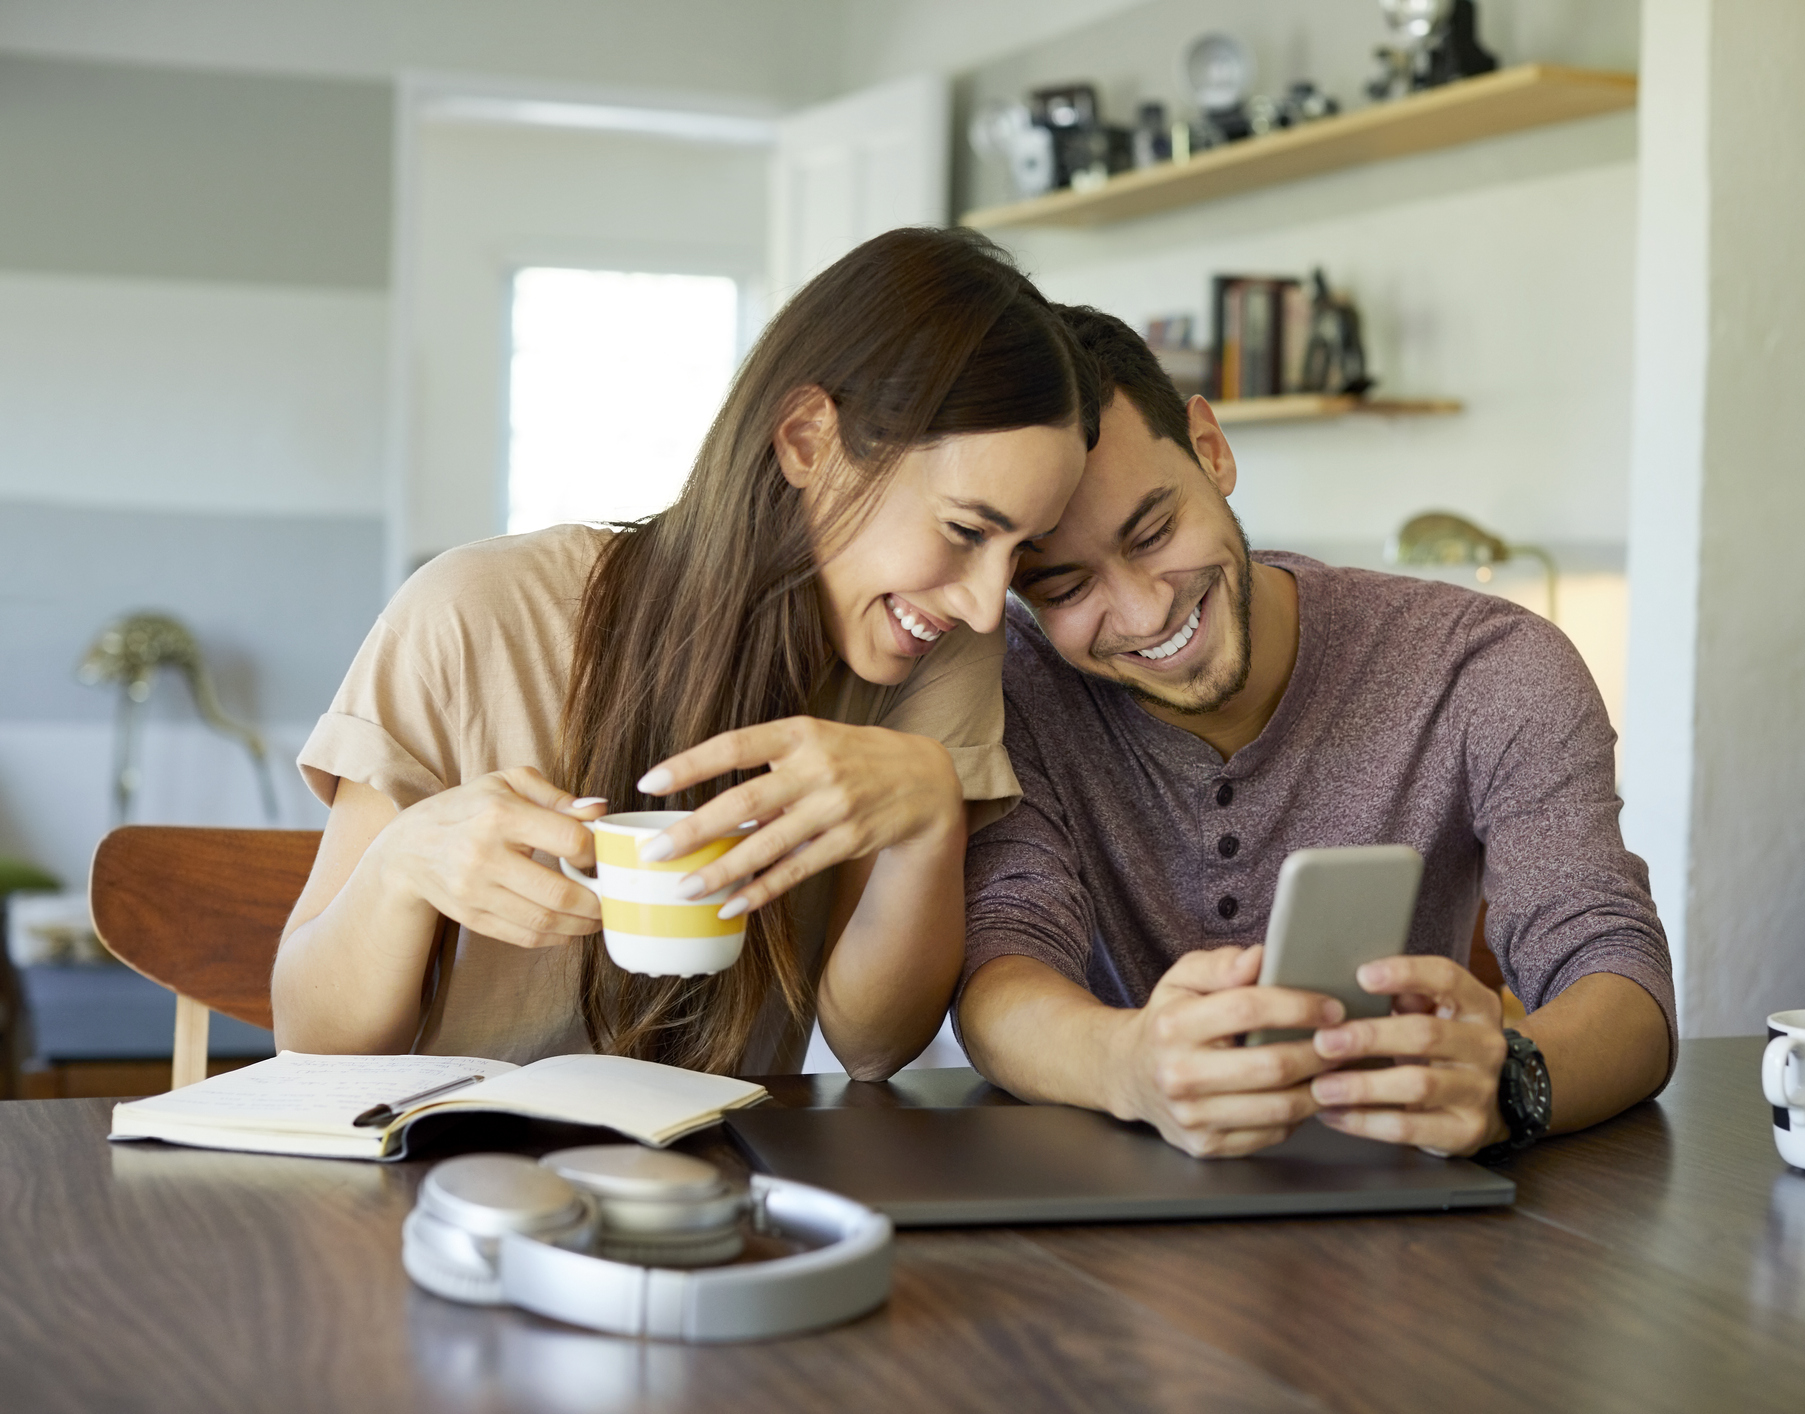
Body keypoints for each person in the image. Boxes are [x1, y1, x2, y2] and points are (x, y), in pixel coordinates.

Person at [274, 228, 1095, 1080]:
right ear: (809, 440)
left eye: (1020, 553)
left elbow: (872, 1047)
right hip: (457, 1179)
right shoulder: (473, 615)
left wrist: (925, 822)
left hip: (723, 1181)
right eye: (965, 530)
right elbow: (306, 1041)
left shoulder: (936, 650)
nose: (981, 600)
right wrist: (400, 871)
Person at [957, 306, 1674, 1158]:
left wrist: (1512, 1080)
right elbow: (1000, 968)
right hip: (1104, 1219)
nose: (1145, 611)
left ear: (1210, 450)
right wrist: (1128, 1065)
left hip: (1399, 1216)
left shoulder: (1488, 667)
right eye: (1066, 588)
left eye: (1153, 532)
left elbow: (1618, 975)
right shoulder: (1011, 695)